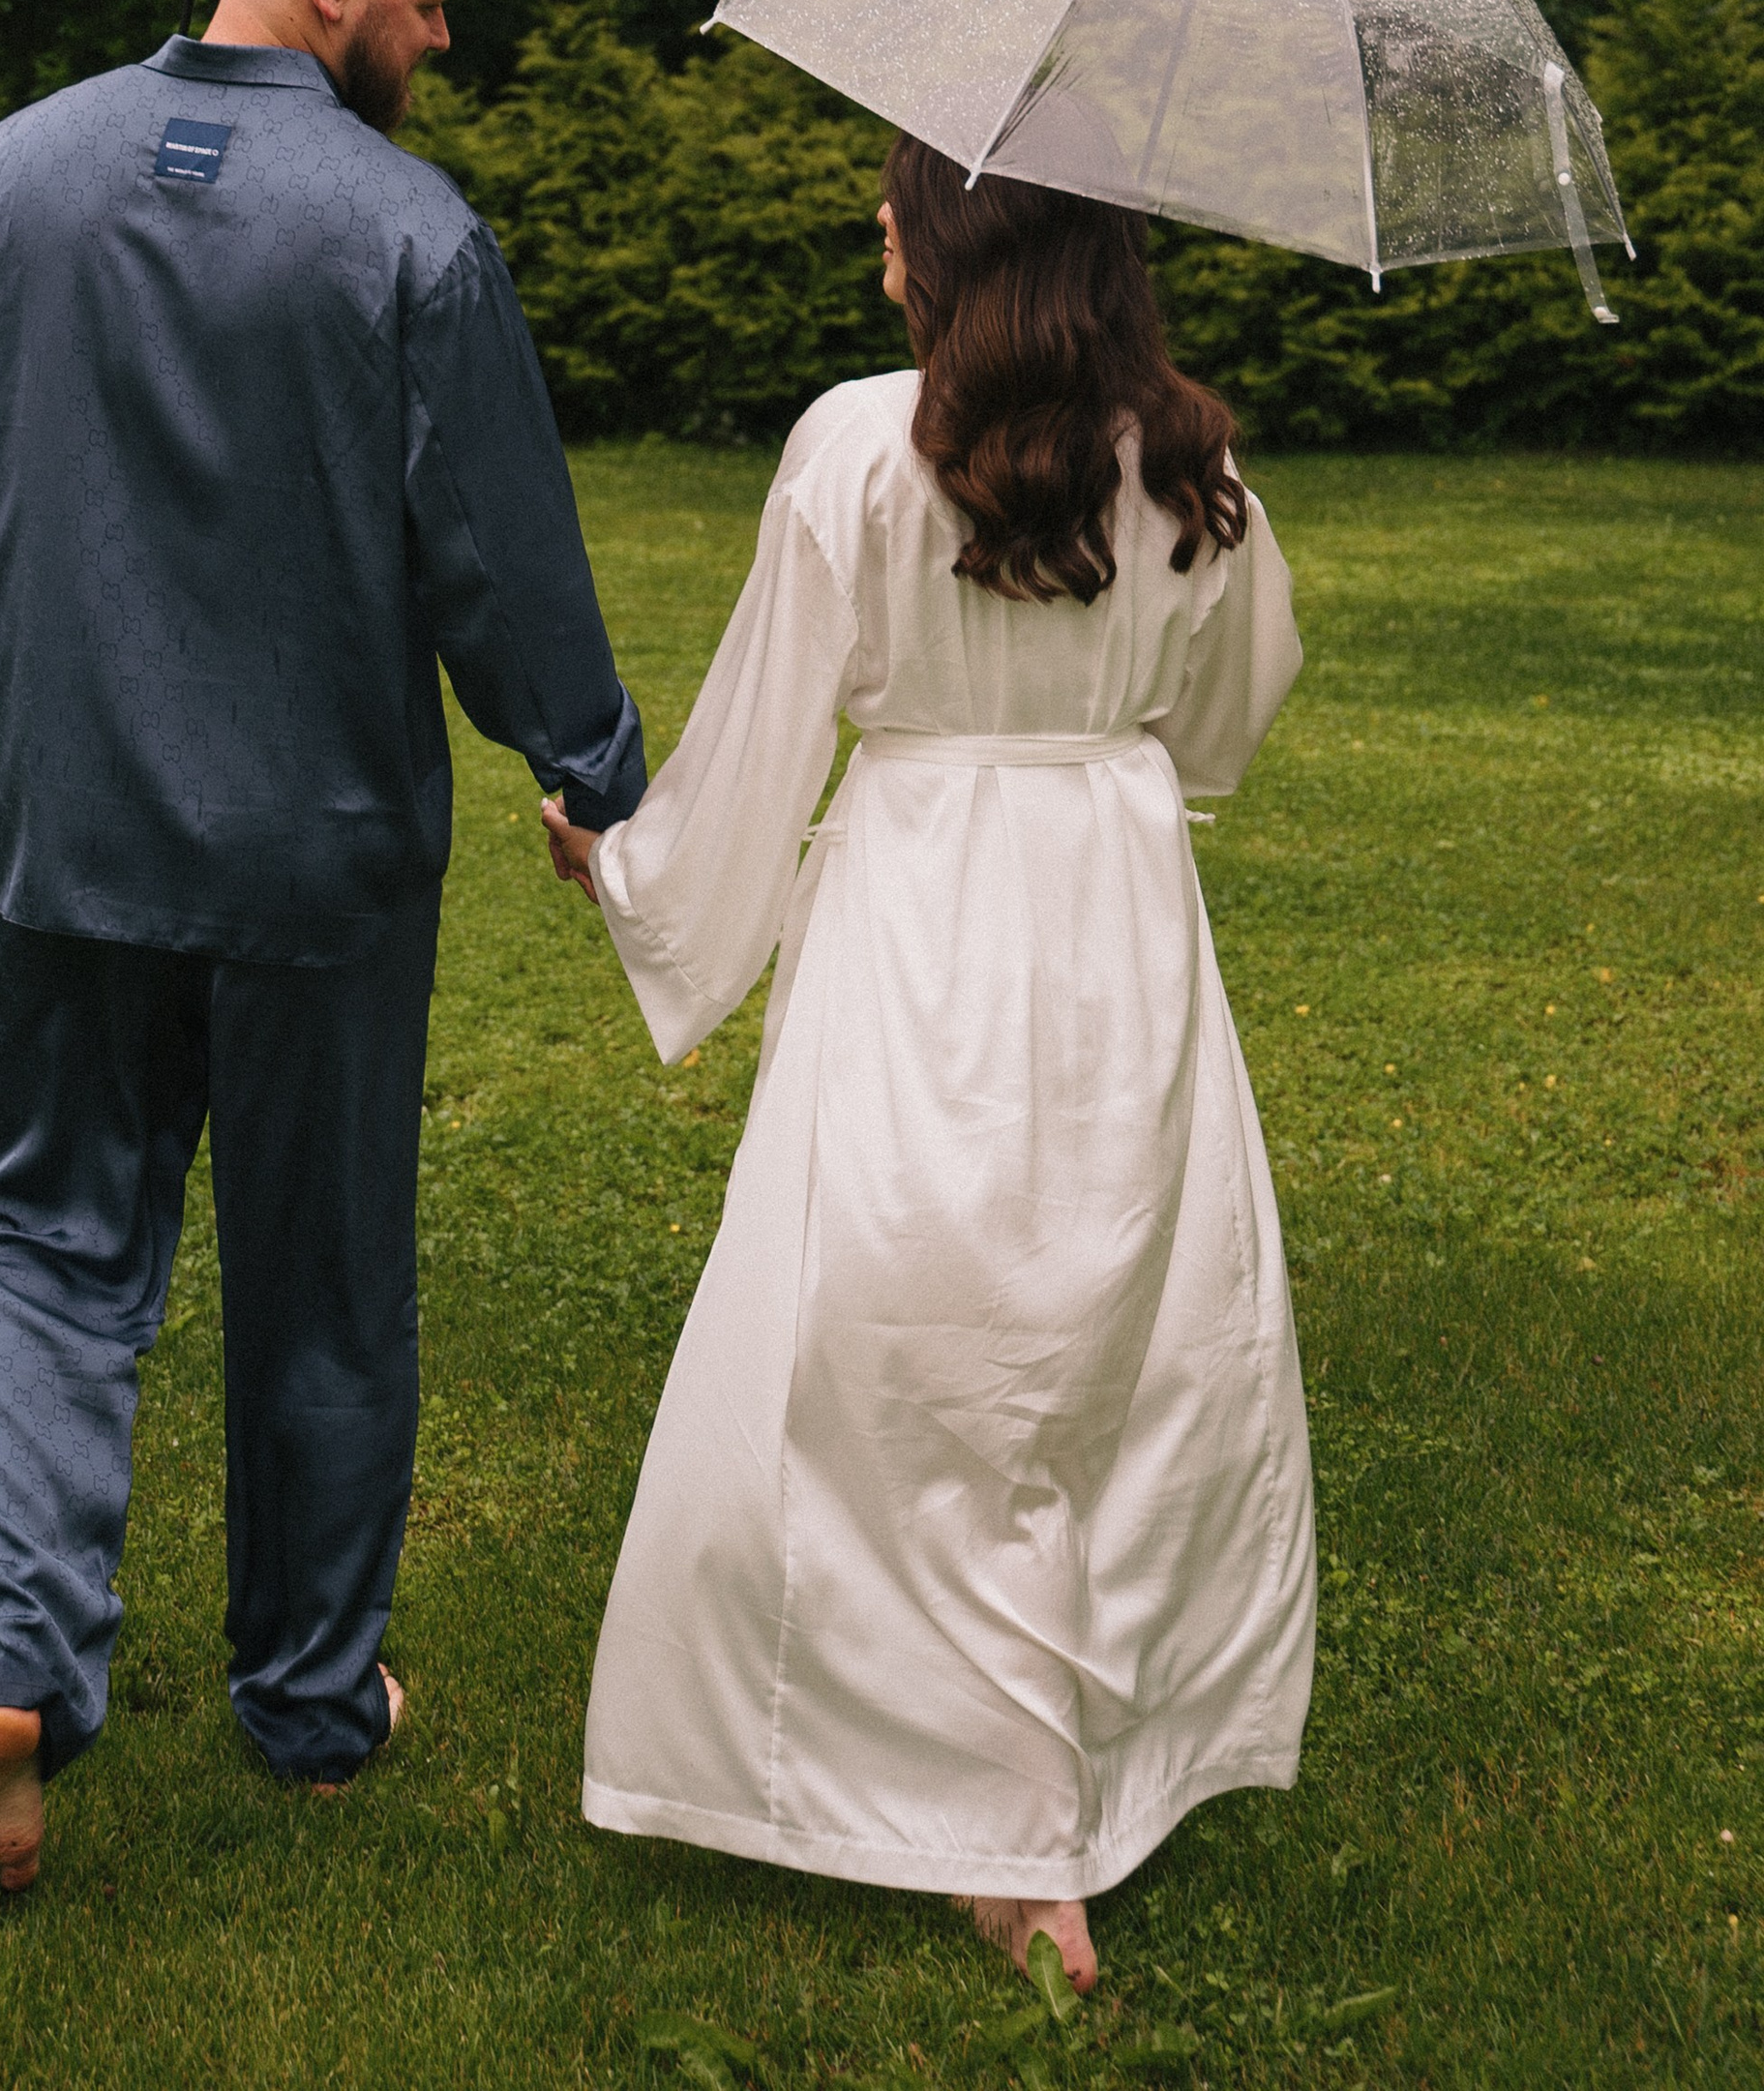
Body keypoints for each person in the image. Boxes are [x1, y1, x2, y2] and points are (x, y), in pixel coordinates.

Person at [0, 0, 645, 1893]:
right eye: (428, 4)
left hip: (66, 832)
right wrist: (593, 771)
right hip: (321, 859)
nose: (439, 38)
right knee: (322, 1282)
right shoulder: (409, 231)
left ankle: (13, 1666)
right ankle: (308, 1705)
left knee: (40, 1242)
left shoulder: (16, 167)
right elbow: (498, 569)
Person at [543, 141, 1311, 1992]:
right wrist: (1098, 741)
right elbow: (1227, 716)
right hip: (1111, 921)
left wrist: (634, 870)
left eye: (909, 197)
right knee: (1102, 1339)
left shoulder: (856, 449)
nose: (882, 221)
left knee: (894, 1328)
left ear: (978, 240)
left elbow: (767, 727)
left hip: (921, 921)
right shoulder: (1193, 469)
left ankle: (975, 1797)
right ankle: (1055, 1778)